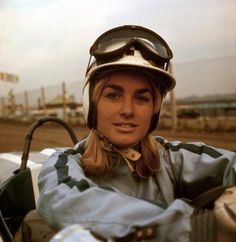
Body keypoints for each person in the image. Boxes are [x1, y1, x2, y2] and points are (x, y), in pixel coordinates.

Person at [37, 25, 236, 242]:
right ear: (91, 104)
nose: (127, 110)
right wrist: (193, 227)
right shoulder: (66, 163)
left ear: (155, 109)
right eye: (113, 95)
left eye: (141, 98)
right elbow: (65, 200)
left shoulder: (169, 157)